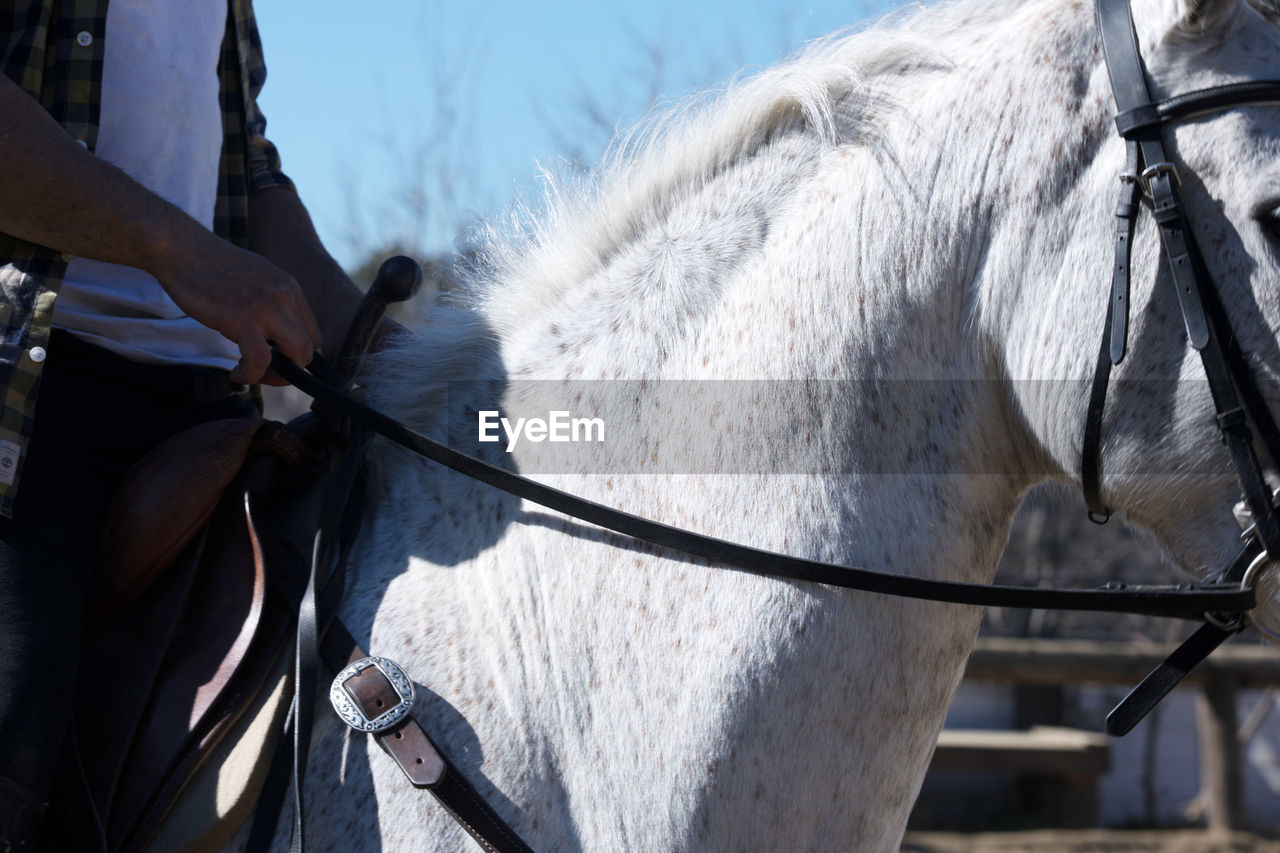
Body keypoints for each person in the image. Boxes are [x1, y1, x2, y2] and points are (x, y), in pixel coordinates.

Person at [0, 1, 363, 847]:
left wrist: (378, 350)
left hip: (203, 415)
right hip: (24, 401)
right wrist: (180, 251)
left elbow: (249, 166)